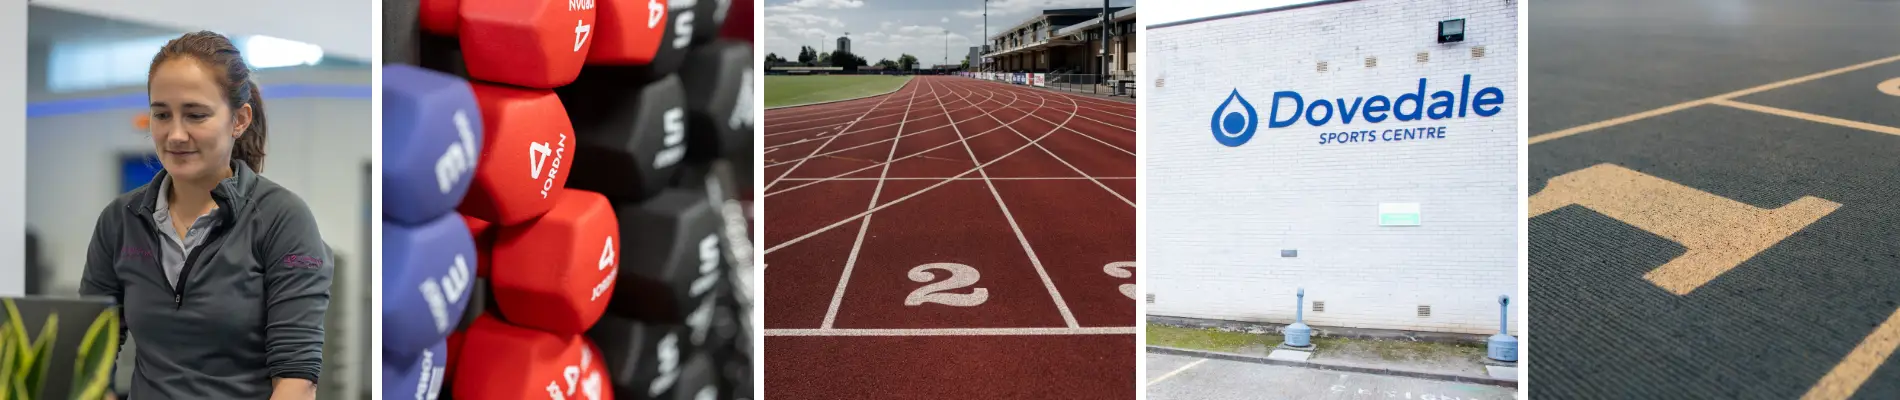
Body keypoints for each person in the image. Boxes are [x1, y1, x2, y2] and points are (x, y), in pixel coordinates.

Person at [79, 30, 330, 400]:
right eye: (161, 114)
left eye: (195, 115)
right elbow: (89, 356)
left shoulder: (282, 218)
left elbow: (297, 378)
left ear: (239, 119)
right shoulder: (120, 220)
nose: (175, 134)